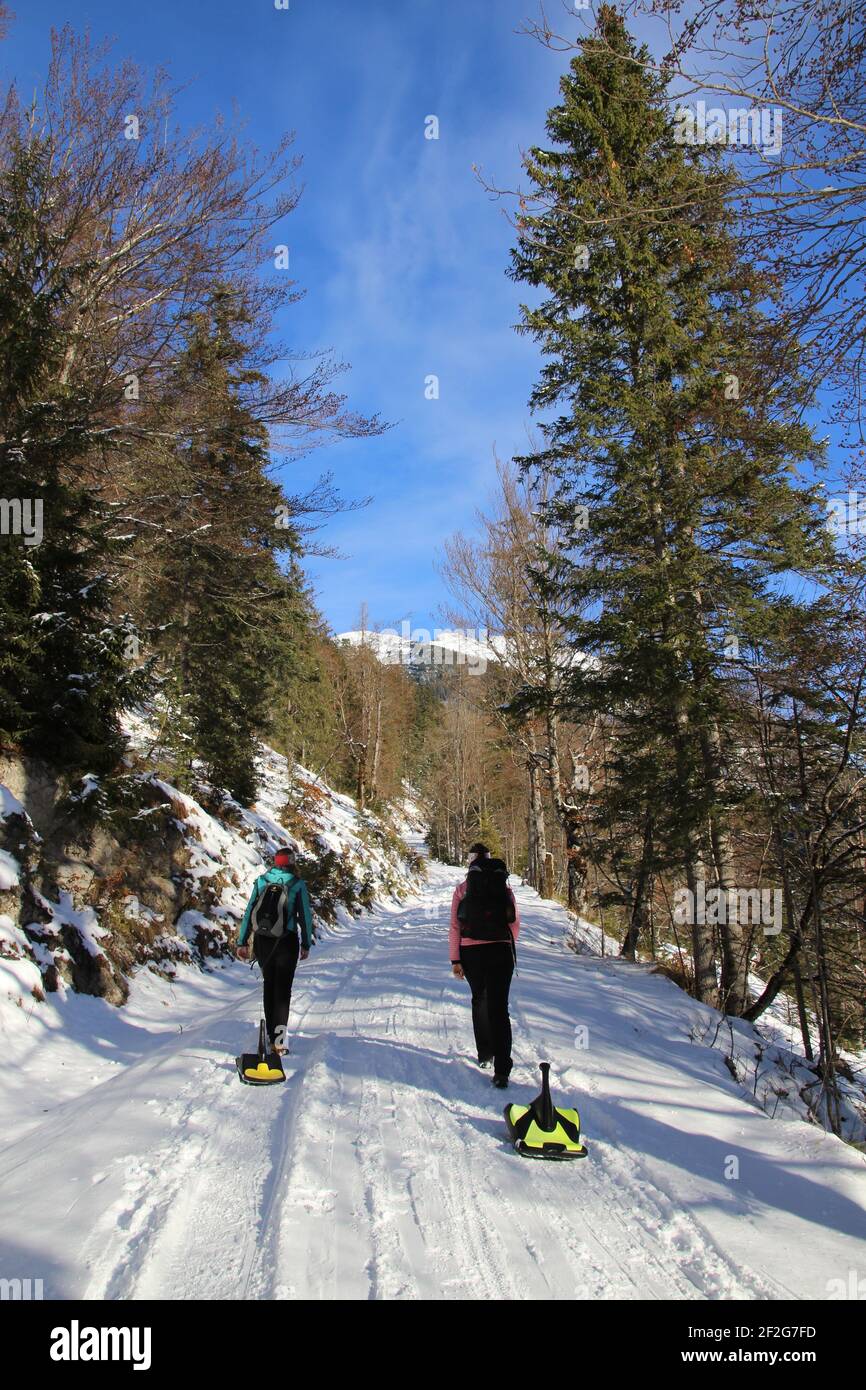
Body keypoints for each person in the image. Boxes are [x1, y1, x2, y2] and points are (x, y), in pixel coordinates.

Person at [450, 842, 520, 1088]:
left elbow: (455, 926)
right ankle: (502, 1070)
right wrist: (506, 943)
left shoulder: (463, 888)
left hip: (471, 952)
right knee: (500, 1008)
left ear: (471, 863)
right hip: (500, 949)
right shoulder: (503, 887)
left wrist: (455, 959)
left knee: (480, 998)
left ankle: (485, 1053)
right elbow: (514, 922)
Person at [236, 846, 313, 1054]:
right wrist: (306, 944)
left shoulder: (262, 881)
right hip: (286, 942)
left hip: (263, 942)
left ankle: (271, 1035)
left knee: (269, 985)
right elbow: (305, 916)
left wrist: (242, 941)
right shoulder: (297, 884)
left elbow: (249, 911)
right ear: (292, 862)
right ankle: (278, 1041)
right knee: (283, 991)